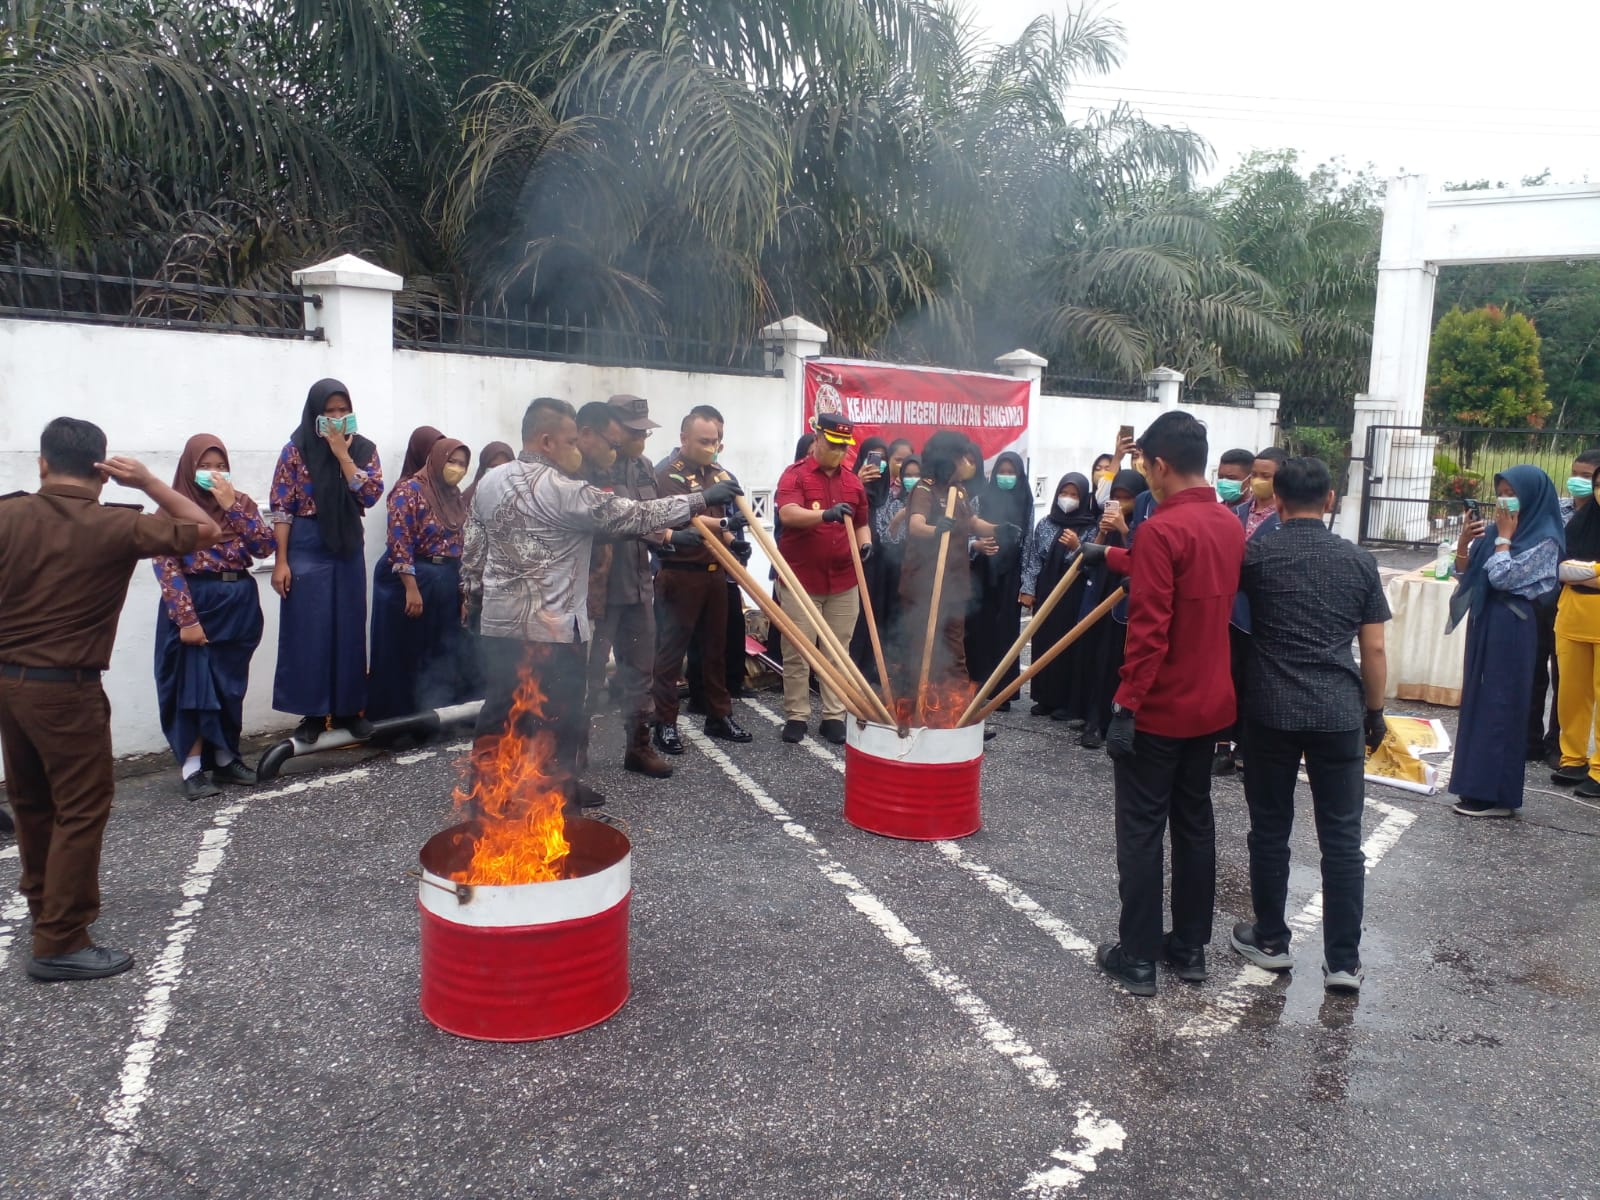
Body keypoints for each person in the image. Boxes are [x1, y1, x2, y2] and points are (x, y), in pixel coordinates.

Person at [0, 417, 220, 981]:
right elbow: (204, 529)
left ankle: (43, 910)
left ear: (42, 463)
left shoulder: (7, 513)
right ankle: (61, 941)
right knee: (79, 808)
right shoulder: (118, 526)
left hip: (10, 686)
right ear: (102, 470)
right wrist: (146, 482)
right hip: (66, 692)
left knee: (31, 804)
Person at [464, 398, 734, 806]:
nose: (579, 448)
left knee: (501, 707)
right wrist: (701, 498)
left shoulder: (490, 481)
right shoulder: (562, 490)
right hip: (553, 627)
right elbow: (633, 515)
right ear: (547, 440)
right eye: (572, 441)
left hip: (501, 624)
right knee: (561, 713)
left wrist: (471, 597)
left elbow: (473, 548)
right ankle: (554, 794)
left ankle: (485, 791)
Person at [1077, 411, 1245, 996]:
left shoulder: (1160, 530)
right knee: (1195, 823)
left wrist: (1125, 707)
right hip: (1210, 703)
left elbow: (1149, 630)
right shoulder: (1227, 523)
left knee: (1142, 830)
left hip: (1161, 706)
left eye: (1145, 464)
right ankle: (1189, 948)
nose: (1143, 473)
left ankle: (1140, 955)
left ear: (1161, 465)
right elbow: (1184, 578)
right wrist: (1115, 558)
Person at [1232, 456, 1390, 993]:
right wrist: (1374, 712)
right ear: (1330, 500)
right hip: (1338, 711)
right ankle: (1343, 960)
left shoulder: (1255, 554)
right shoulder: (1358, 561)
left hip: (1270, 709)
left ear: (1275, 499)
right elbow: (1373, 646)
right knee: (1343, 839)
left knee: (1271, 828)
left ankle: (1271, 940)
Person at [152, 434, 276, 799]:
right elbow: (165, 566)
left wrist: (233, 505)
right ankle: (192, 769)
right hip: (197, 605)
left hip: (238, 603)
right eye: (205, 466)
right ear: (189, 469)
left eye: (221, 466)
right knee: (194, 687)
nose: (214, 473)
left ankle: (225, 759)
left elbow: (265, 546)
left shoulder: (241, 504)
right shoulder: (171, 510)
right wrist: (187, 620)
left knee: (228, 686)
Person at [269, 378, 384, 743]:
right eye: (329, 412)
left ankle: (349, 710)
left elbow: (369, 495)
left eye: (343, 411)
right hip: (306, 543)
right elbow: (282, 508)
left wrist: (342, 455)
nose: (336, 418)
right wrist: (281, 561)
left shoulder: (364, 449)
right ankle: (313, 715)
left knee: (348, 629)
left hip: (347, 546)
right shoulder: (296, 450)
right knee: (309, 631)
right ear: (315, 414)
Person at [1447, 466, 1563, 817]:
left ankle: (1496, 794)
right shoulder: (1500, 530)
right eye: (1501, 490)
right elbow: (1465, 574)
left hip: (1513, 625)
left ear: (1531, 496)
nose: (1505, 500)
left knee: (1501, 704)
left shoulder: (1545, 538)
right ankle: (1472, 785)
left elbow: (1502, 577)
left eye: (1512, 492)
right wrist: (1465, 542)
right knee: (1479, 702)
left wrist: (1504, 538)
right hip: (1487, 622)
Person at [651, 412, 754, 755]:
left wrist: (732, 539)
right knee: (670, 654)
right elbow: (682, 516)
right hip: (680, 574)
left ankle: (718, 715)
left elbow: (720, 524)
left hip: (714, 572)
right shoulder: (667, 474)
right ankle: (665, 722)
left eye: (716, 442)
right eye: (703, 441)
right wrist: (723, 520)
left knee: (715, 651)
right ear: (684, 438)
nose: (711, 449)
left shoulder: (717, 474)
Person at [587, 395, 675, 778]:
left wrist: (671, 537)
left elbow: (652, 515)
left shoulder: (643, 466)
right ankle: (573, 761)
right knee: (586, 677)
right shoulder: (587, 469)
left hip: (639, 584)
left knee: (640, 671)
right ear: (612, 428)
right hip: (598, 592)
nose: (641, 437)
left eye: (644, 431)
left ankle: (638, 746)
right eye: (633, 430)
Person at [774, 414, 873, 745]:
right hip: (800, 579)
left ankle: (833, 715)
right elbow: (787, 514)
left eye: (843, 447)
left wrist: (865, 543)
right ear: (817, 438)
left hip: (844, 580)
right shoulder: (796, 476)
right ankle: (797, 715)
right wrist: (823, 515)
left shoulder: (853, 482)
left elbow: (861, 522)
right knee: (798, 650)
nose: (838, 452)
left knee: (838, 651)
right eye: (832, 445)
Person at [367, 438, 472, 722]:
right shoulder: (409, 490)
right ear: (436, 459)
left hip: (446, 580)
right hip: (415, 579)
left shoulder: (453, 496)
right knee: (407, 651)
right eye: (452, 461)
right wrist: (411, 589)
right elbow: (400, 540)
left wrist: (462, 594)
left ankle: (434, 718)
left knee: (438, 651)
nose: (457, 469)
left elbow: (462, 547)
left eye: (463, 464)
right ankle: (399, 722)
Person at [897, 432, 995, 694]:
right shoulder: (924, 488)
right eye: (961, 456)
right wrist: (936, 529)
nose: (967, 462)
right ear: (946, 459)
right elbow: (916, 525)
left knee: (954, 650)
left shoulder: (958, 491)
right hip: (924, 585)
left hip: (954, 584)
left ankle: (956, 713)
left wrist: (998, 530)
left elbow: (973, 523)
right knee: (924, 648)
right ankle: (919, 707)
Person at [1215, 446, 1286, 776]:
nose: (1257, 481)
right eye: (1254, 474)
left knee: (1252, 683)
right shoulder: (1235, 513)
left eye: (1265, 476)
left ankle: (1246, 745)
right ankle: (1222, 745)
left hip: (1259, 615)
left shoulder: (1284, 521)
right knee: (1224, 680)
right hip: (1225, 611)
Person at [1077, 468, 1149, 748]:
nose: (1120, 503)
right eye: (1115, 497)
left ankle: (1116, 719)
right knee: (1096, 659)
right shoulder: (1102, 522)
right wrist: (1102, 533)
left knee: (1117, 662)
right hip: (1100, 595)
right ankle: (1092, 720)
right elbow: (1086, 562)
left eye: (1127, 497)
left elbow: (1139, 556)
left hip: (1125, 600)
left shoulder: (1144, 525)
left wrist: (1122, 528)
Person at [1019, 472, 1098, 721]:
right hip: (1047, 587)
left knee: (1068, 644)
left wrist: (1077, 546)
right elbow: (1034, 559)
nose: (1068, 499)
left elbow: (1092, 562)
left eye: (1074, 495)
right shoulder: (1046, 523)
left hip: (1073, 592)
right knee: (1044, 641)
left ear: (1084, 498)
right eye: (1065, 493)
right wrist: (1028, 589)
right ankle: (1045, 697)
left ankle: (1065, 700)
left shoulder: (1091, 528)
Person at [967, 452, 1034, 709]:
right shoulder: (980, 500)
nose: (1006, 477)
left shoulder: (1025, 501)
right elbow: (965, 532)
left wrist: (1027, 584)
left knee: (1005, 632)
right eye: (1001, 472)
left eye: (1011, 472)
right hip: (980, 572)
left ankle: (1002, 693)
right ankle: (977, 686)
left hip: (1010, 575)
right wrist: (976, 545)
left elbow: (1028, 544)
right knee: (978, 631)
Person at [1552, 450, 1600, 796]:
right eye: (1598, 484)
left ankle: (1599, 770)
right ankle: (1573, 758)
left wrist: (1587, 573)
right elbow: (1560, 563)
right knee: (1570, 693)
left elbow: (1573, 570)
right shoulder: (1581, 521)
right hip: (1572, 617)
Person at [848, 436, 891, 682]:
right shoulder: (852, 484)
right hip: (859, 560)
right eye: (873, 457)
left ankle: (873, 667)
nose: (879, 464)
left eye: (882, 458)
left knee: (878, 614)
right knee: (856, 617)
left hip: (885, 565)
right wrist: (858, 484)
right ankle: (853, 668)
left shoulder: (891, 491)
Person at [390, 425, 445, 495]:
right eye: (434, 451)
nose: (439, 456)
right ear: (420, 451)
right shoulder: (405, 490)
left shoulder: (444, 485)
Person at [463, 440, 515, 512]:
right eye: (494, 466)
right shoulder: (468, 499)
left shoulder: (520, 499)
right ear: (483, 468)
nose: (500, 470)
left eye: (505, 466)